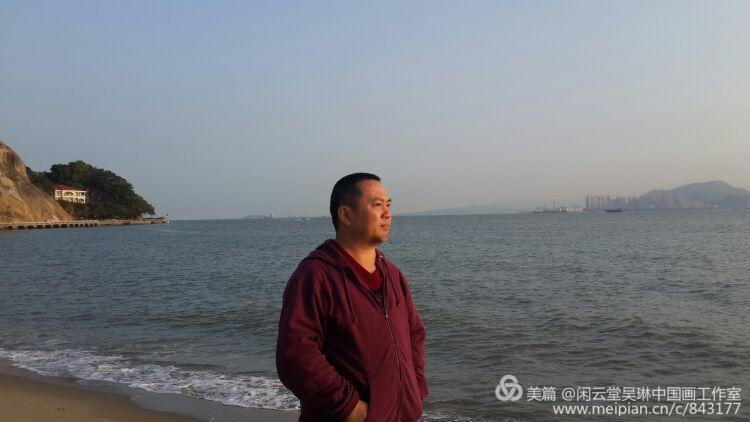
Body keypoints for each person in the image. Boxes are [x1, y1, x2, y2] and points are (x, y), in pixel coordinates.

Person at [276, 173, 428, 422]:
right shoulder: (315, 275)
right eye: (377, 205)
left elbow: (415, 335)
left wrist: (415, 390)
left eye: (388, 205)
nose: (387, 214)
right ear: (345, 215)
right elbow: (295, 355)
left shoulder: (393, 275)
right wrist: (350, 409)